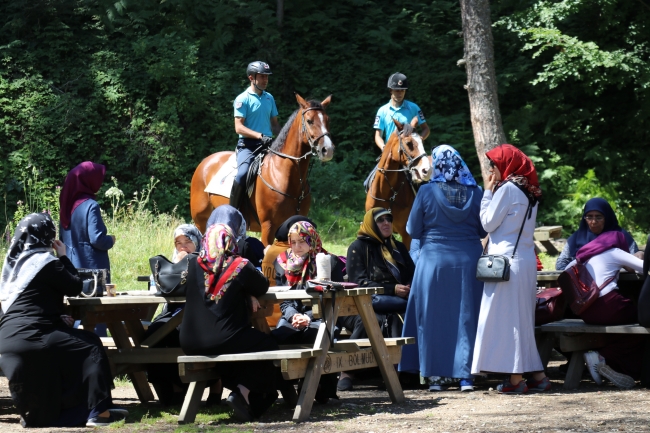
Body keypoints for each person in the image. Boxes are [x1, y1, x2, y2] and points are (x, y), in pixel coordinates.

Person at [0, 213, 127, 427]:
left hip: (8, 339)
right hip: (34, 337)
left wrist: (55, 318)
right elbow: (75, 286)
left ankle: (86, 409)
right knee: (90, 344)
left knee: (71, 343)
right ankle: (98, 412)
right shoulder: (44, 262)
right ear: (47, 236)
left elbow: (29, 303)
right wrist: (63, 256)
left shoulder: (13, 267)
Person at [399, 145, 486, 392]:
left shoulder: (426, 191)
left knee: (433, 317)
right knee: (467, 317)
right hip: (468, 261)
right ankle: (466, 376)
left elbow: (413, 230)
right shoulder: (475, 192)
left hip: (434, 261)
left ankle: (435, 377)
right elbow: (482, 231)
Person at [471, 144, 550, 394]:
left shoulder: (506, 189)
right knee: (523, 321)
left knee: (508, 323)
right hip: (525, 261)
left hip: (504, 264)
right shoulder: (530, 191)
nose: (491, 170)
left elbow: (487, 223)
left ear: (505, 164)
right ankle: (538, 375)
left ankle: (516, 380)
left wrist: (486, 192)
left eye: (494, 165)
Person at [179, 222, 279, 421]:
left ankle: (245, 395)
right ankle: (243, 392)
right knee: (268, 344)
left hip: (189, 341)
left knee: (241, 349)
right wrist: (248, 291)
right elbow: (262, 286)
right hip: (223, 338)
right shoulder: (239, 265)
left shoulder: (191, 264)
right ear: (231, 242)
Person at [342, 207, 415, 391]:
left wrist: (409, 286)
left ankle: (402, 373)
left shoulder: (398, 247)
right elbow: (357, 282)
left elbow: (412, 274)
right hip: (363, 304)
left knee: (408, 316)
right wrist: (391, 289)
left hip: (399, 303)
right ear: (371, 224)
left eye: (389, 220)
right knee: (371, 319)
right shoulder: (357, 248)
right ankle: (346, 372)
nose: (386, 223)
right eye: (381, 220)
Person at [272, 220, 343, 403]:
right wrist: (294, 316)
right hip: (292, 317)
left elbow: (333, 300)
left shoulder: (328, 262)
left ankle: (323, 390)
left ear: (312, 240)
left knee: (320, 335)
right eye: (293, 242)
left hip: (324, 315)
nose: (297, 247)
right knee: (276, 339)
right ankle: (287, 390)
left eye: (302, 241)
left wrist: (308, 316)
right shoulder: (282, 262)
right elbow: (284, 300)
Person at [565, 231, 644, 389]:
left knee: (625, 328)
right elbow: (643, 268)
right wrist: (640, 255)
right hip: (609, 306)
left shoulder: (583, 257)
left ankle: (611, 365)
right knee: (643, 325)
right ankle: (604, 357)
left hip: (586, 312)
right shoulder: (614, 252)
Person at [145, 223, 204, 406]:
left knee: (176, 334)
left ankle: (180, 388)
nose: (183, 247)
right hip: (171, 312)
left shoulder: (205, 263)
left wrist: (189, 265)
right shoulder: (166, 266)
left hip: (196, 315)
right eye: (178, 243)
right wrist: (177, 267)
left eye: (188, 241)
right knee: (153, 333)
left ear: (198, 242)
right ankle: (164, 388)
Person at [59, 161, 114, 337]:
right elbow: (96, 239)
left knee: (76, 314)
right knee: (97, 313)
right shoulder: (91, 205)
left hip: (72, 265)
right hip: (93, 268)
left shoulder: (67, 206)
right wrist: (111, 240)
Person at [230, 61, 281, 211]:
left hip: (268, 145)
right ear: (251, 78)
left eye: (267, 77)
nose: (266, 80)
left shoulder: (269, 98)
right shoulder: (242, 99)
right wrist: (259, 136)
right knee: (242, 175)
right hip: (248, 146)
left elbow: (275, 124)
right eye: (262, 77)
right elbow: (238, 127)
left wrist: (284, 139)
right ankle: (232, 212)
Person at [555, 197, 642, 270]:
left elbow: (635, 261)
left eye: (598, 217)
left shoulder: (620, 235)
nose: (593, 222)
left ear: (607, 218)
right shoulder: (577, 237)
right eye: (589, 217)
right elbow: (560, 264)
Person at [373, 72, 429, 151]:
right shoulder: (382, 111)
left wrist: (419, 139)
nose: (400, 93)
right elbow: (378, 135)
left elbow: (426, 129)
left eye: (402, 90)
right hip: (390, 152)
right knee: (379, 164)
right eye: (397, 90)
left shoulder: (414, 108)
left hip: (409, 153)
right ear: (390, 90)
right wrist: (383, 147)